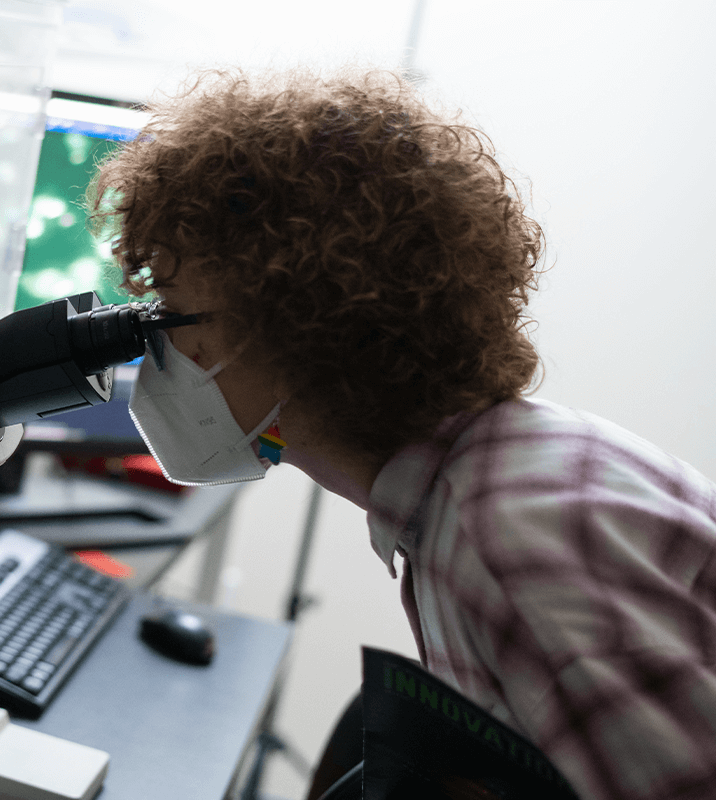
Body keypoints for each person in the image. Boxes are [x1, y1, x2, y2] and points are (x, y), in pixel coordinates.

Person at [89, 67, 716, 800]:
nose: (160, 352)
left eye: (170, 314)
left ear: (304, 323)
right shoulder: (479, 489)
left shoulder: (508, 536)